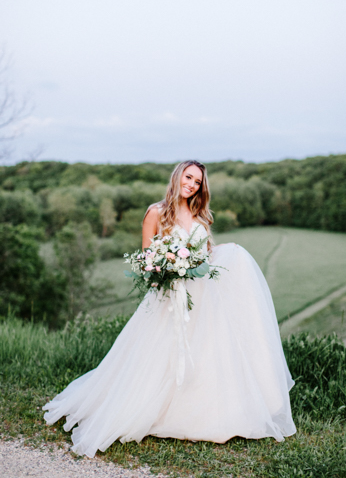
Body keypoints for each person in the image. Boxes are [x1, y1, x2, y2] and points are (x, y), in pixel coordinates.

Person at [44, 160, 296, 458]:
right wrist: (170, 266)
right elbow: (148, 257)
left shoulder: (201, 215)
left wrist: (215, 258)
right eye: (189, 177)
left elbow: (207, 253)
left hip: (204, 295)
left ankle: (211, 411)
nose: (192, 184)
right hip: (171, 294)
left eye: (198, 181)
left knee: (209, 348)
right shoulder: (156, 212)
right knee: (161, 353)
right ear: (177, 176)